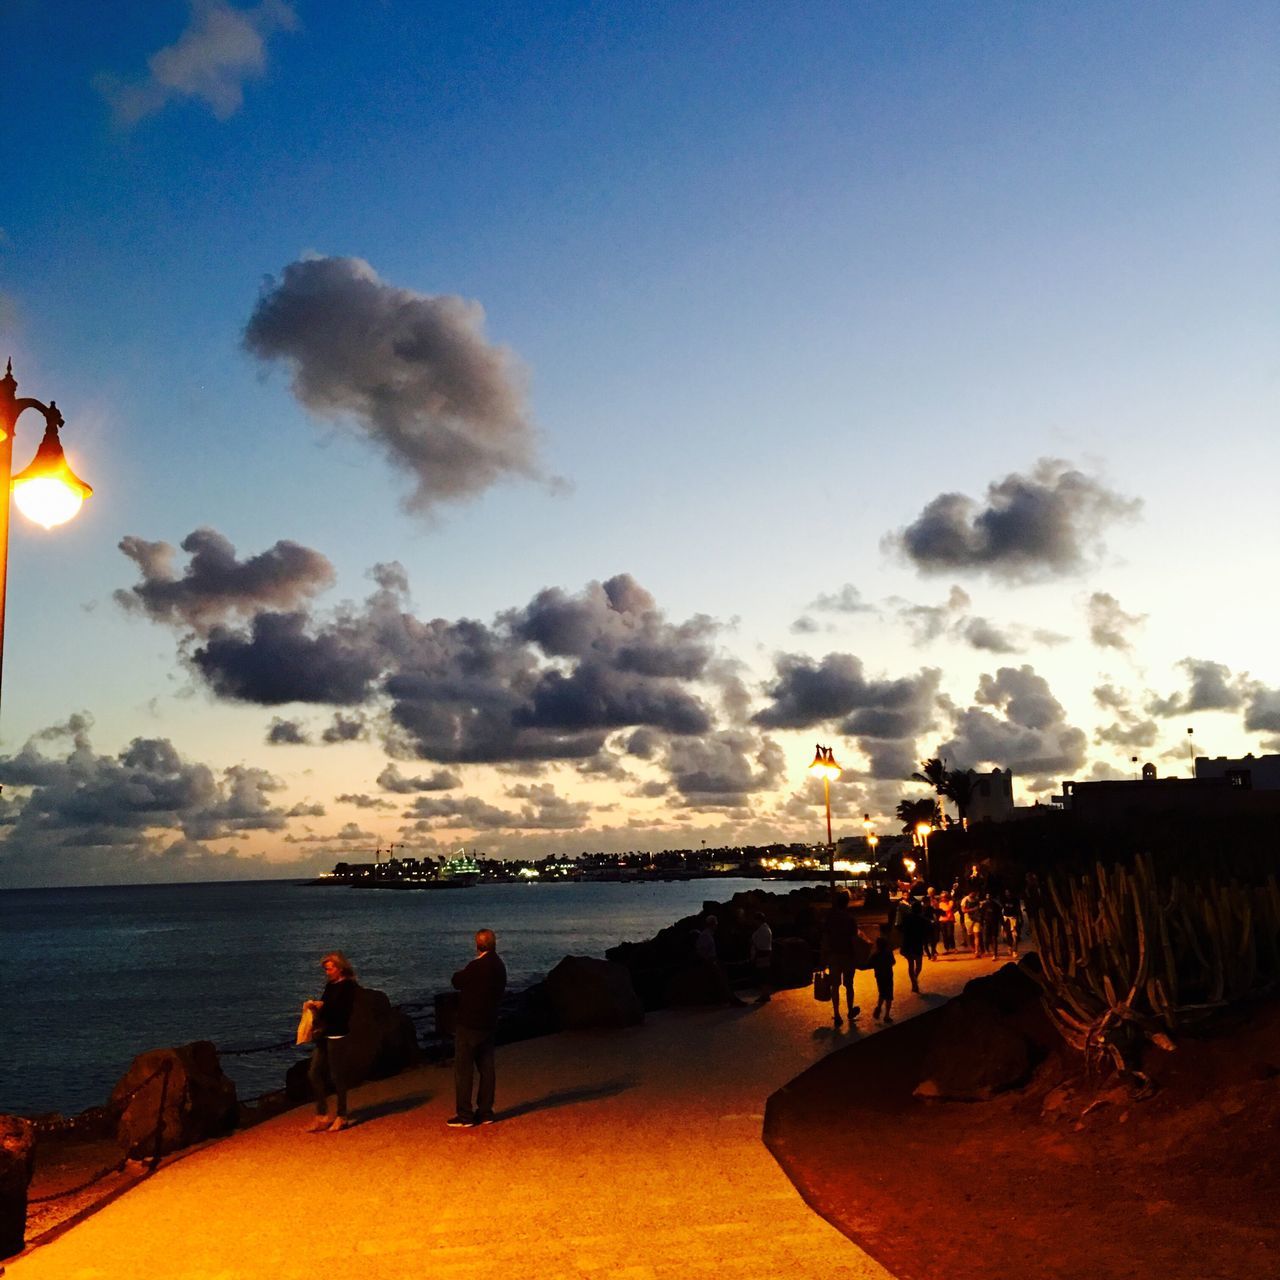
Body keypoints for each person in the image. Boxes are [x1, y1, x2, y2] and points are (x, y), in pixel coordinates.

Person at [448, 928, 507, 1127]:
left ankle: (465, 1114)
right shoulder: (499, 965)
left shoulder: (476, 966)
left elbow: (457, 981)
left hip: (469, 1024)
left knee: (464, 1071)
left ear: (478, 945)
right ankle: (485, 1112)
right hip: (489, 1022)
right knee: (487, 1068)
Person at [304, 951, 359, 1133]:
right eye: (326, 969)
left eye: (329, 969)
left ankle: (342, 1115)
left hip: (337, 1035)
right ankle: (322, 1114)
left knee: (337, 1076)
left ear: (339, 968)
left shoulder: (348, 987)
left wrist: (322, 1008)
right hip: (325, 1034)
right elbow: (327, 1007)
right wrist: (315, 1008)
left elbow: (341, 1011)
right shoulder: (331, 986)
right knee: (314, 1072)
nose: (327, 972)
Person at [821, 891, 866, 1026]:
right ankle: (850, 1009)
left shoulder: (830, 918)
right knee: (849, 985)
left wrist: (824, 956)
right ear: (847, 903)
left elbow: (825, 937)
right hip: (848, 954)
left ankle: (836, 1014)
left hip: (834, 955)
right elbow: (854, 939)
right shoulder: (850, 919)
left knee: (835, 986)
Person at [899, 899, 928, 993]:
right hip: (916, 944)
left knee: (910, 965)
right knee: (918, 966)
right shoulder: (922, 919)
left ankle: (914, 982)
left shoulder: (906, 918)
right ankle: (914, 981)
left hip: (907, 943)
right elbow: (925, 932)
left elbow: (902, 929)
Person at [870, 925, 896, 1023]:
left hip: (879, 976)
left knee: (882, 993)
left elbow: (869, 964)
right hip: (888, 976)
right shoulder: (889, 953)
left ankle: (878, 1008)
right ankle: (887, 1015)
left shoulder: (875, 955)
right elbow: (893, 962)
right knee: (889, 996)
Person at [748, 911, 773, 1004]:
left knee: (762, 974)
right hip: (765, 953)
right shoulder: (766, 929)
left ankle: (765, 994)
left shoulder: (762, 930)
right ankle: (765, 993)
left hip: (762, 954)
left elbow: (758, 944)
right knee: (764, 974)